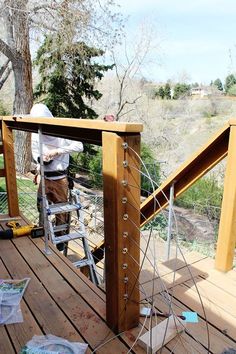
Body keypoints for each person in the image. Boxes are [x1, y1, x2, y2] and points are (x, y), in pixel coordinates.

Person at [30, 103, 83, 250]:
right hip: (44, 177)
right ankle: (42, 237)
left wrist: (58, 152)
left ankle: (60, 243)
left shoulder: (61, 129)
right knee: (41, 207)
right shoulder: (36, 133)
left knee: (61, 211)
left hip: (60, 179)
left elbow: (79, 146)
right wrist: (41, 159)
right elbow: (35, 152)